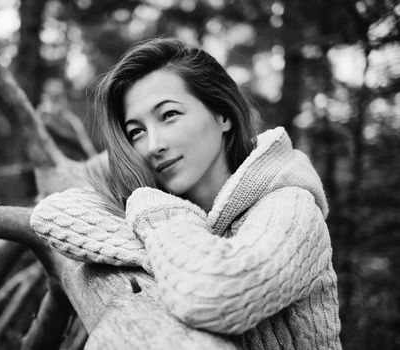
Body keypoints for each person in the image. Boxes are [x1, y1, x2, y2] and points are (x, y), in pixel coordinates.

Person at [30, 38, 342, 349]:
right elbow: (54, 213)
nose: (153, 146)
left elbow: (211, 294)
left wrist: (160, 218)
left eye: (168, 115)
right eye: (136, 131)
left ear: (223, 115)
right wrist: (168, 252)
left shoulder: (291, 208)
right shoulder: (169, 205)